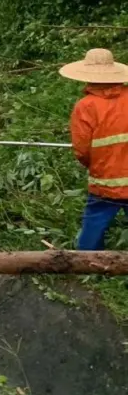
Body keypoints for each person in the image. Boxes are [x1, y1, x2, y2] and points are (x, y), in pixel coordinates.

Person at [60, 48, 128, 250]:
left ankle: (87, 264)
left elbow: (82, 149)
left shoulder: (86, 106)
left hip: (105, 181)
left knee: (93, 225)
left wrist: (92, 163)